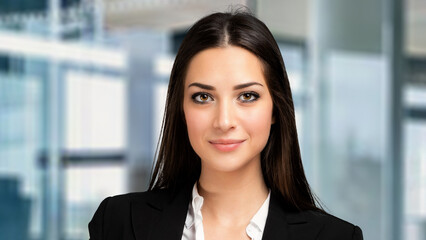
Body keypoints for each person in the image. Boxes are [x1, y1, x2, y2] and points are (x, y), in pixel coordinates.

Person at [88, 10, 363, 240]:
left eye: (247, 96)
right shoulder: (119, 223)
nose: (224, 121)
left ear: (275, 109)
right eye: (203, 97)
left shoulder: (334, 237)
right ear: (181, 109)